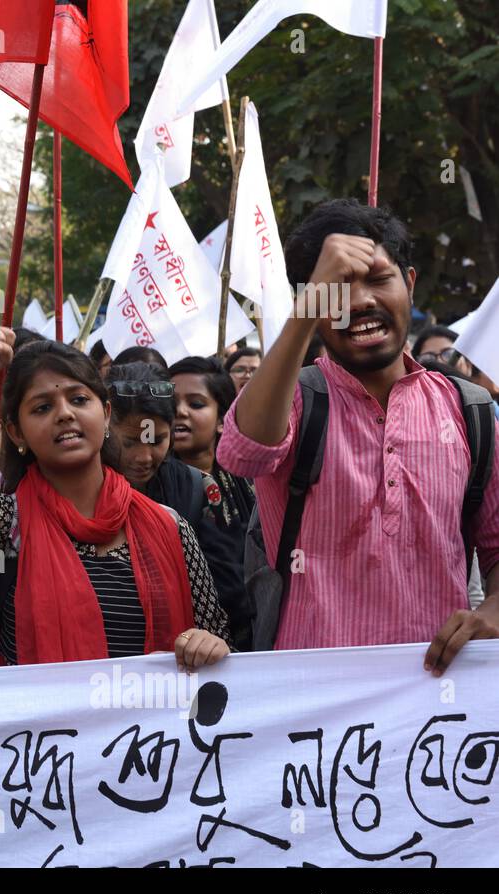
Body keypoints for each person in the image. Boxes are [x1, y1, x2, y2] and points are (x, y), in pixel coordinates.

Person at [218, 199, 499, 674]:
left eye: (377, 279)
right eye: (336, 288)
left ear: (408, 283)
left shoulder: (469, 410)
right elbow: (244, 454)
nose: (361, 301)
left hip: (437, 704)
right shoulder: (297, 399)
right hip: (311, 711)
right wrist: (304, 310)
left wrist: (493, 609)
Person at [0, 327, 229, 670]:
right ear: (16, 432)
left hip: (154, 721)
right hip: (44, 723)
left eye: (79, 400)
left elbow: (216, 637)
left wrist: (210, 644)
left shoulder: (170, 525)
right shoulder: (3, 524)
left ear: (106, 414)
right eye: (42, 407)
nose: (64, 413)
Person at [104, 362, 251, 647]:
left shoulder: (197, 491)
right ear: (105, 425)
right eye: (131, 442)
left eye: (157, 440)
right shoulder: (77, 488)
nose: (145, 457)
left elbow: (229, 597)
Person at [168, 355, 256, 537]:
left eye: (196, 404)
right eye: (170, 402)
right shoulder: (149, 482)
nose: (180, 411)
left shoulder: (249, 477)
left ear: (222, 420)